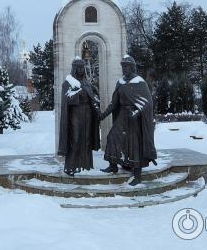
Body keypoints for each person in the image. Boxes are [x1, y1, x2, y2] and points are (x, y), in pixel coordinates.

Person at [99, 55, 157, 186]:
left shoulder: (139, 82)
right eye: (123, 66)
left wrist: (137, 112)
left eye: (126, 66)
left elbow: (148, 102)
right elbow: (114, 103)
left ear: (132, 67)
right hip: (123, 114)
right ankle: (113, 165)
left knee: (134, 144)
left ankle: (137, 175)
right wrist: (103, 115)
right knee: (112, 136)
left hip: (135, 117)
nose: (124, 69)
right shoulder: (120, 82)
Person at [57, 57, 101, 176]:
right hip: (75, 113)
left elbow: (92, 97)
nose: (81, 70)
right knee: (75, 139)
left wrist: (96, 107)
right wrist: (78, 93)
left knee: (86, 139)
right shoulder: (69, 82)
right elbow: (66, 99)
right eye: (79, 67)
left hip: (87, 113)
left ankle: (85, 164)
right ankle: (70, 166)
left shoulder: (86, 82)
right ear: (74, 68)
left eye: (83, 67)